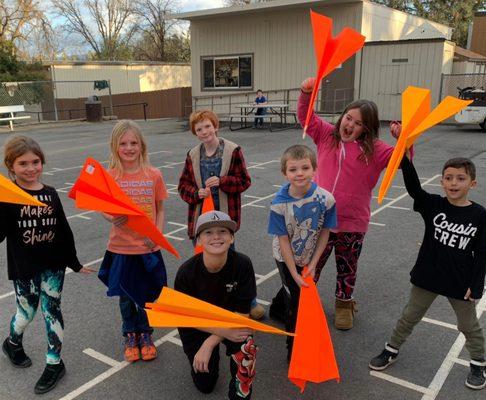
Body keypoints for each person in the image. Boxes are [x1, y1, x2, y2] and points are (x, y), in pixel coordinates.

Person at [272, 76, 403, 330]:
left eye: (359, 123)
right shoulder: (326, 136)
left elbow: (401, 160)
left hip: (352, 223)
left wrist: (405, 140)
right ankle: (295, 300)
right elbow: (305, 117)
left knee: (347, 267)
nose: (350, 124)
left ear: (367, 128)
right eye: (348, 118)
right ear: (342, 117)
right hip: (319, 220)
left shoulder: (375, 149)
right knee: (311, 265)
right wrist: (306, 93)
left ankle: (344, 305)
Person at [369, 155, 486, 390]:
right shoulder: (434, 205)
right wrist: (404, 158)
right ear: (441, 182)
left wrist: (476, 284)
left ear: (472, 183)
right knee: (409, 316)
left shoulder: (480, 215)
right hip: (428, 276)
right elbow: (414, 189)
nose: (453, 183)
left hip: (459, 280)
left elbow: (482, 253)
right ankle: (391, 349)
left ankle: (478, 362)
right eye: (448, 178)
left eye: (460, 178)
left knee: (468, 325)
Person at [0, 136, 92, 394]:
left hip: (53, 267)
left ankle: (55, 363)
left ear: (42, 162)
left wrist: (73, 263)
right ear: (11, 166)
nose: (31, 168)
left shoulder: (50, 194)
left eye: (36, 162)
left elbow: (63, 230)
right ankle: (12, 343)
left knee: (51, 310)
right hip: (24, 268)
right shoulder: (7, 197)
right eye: (23, 163)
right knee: (26, 312)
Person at [178, 110, 265, 320]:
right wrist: (196, 193)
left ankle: (249, 301)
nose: (204, 131)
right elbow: (183, 186)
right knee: (202, 262)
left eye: (207, 126)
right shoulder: (192, 154)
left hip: (225, 218)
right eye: (199, 129)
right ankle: (209, 302)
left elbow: (245, 181)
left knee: (231, 261)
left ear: (215, 126)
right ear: (195, 133)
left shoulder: (233, 150)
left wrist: (222, 181)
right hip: (201, 220)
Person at [98, 120, 168, 363]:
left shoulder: (153, 174)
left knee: (148, 295)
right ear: (115, 146)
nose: (129, 148)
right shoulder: (109, 176)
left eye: (134, 143)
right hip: (121, 248)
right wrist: (110, 216)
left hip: (147, 247)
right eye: (123, 143)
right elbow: (100, 206)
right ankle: (130, 334)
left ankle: (146, 334)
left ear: (142, 145)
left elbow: (160, 209)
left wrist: (156, 235)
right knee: (126, 296)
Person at [175, 210, 258, 399]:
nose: (216, 237)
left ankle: (240, 388)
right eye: (208, 232)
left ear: (232, 238)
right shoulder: (186, 273)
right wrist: (214, 337)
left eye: (222, 231)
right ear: (198, 241)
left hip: (232, 321)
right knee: (205, 384)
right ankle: (207, 361)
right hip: (197, 324)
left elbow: (242, 314)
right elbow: (185, 317)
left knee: (247, 346)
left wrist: (210, 343)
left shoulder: (243, 264)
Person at [268, 144, 337, 360]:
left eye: (305, 168)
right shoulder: (279, 204)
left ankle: (277, 307)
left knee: (293, 291)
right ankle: (293, 346)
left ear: (314, 169)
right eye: (293, 169)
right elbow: (284, 241)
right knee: (296, 300)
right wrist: (295, 273)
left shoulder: (326, 199)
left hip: (309, 256)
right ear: (284, 173)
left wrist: (314, 264)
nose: (299, 174)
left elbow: (325, 232)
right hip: (285, 257)